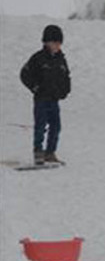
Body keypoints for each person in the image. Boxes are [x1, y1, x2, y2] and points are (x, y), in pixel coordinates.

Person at [19, 25, 71, 165]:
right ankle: (38, 151)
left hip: (54, 100)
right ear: (46, 42)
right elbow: (24, 74)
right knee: (40, 126)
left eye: (59, 43)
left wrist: (65, 90)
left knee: (56, 126)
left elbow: (66, 76)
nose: (57, 46)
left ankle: (50, 152)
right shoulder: (38, 58)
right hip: (41, 99)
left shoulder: (61, 59)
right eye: (54, 43)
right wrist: (35, 87)